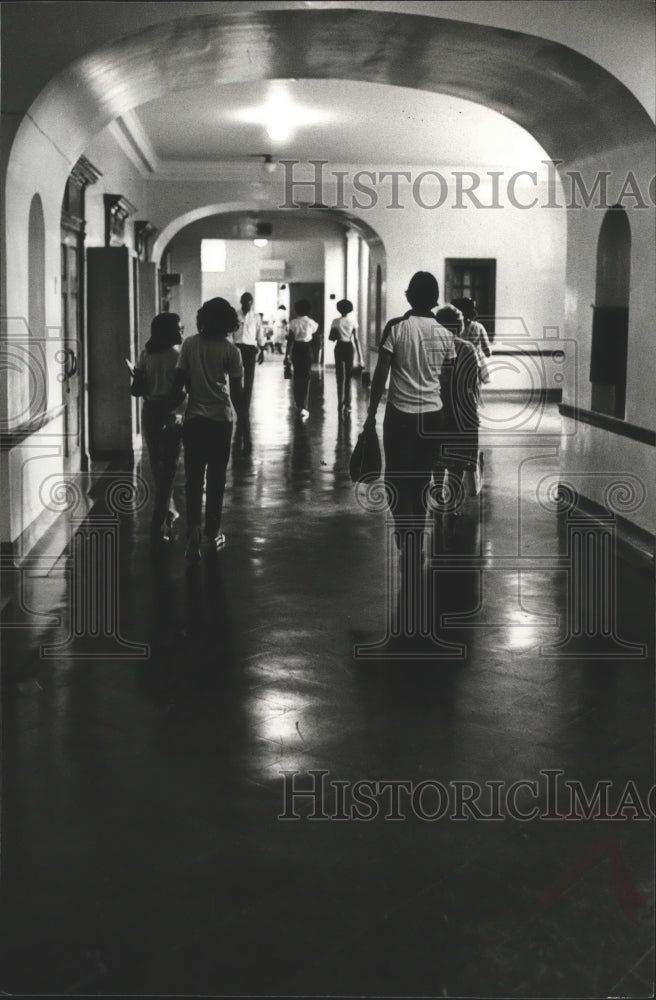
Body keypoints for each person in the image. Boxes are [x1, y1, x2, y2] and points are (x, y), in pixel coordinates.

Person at [364, 271, 456, 546]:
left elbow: (381, 374)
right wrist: (448, 419)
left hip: (400, 415)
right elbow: (448, 383)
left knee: (396, 477)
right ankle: (415, 530)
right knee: (422, 476)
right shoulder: (445, 334)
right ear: (435, 299)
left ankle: (405, 530)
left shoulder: (396, 327)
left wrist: (370, 414)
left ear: (408, 295)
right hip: (433, 416)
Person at [169, 297, 246, 562]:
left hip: (194, 421)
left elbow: (177, 384)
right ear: (229, 322)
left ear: (202, 319)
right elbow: (237, 394)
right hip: (221, 422)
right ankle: (212, 533)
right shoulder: (231, 351)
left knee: (193, 478)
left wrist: (169, 413)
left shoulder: (189, 344)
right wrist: (244, 426)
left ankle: (192, 533)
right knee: (216, 479)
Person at [137, 312, 185, 542]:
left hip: (150, 412)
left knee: (157, 463)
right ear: (168, 331)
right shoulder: (178, 357)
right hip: (172, 414)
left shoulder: (145, 354)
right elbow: (181, 391)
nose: (181, 331)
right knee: (170, 465)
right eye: (178, 327)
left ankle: (168, 510)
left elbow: (137, 388)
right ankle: (161, 518)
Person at [434, 305, 481, 511]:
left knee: (436, 456)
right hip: (463, 412)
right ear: (459, 325)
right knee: (458, 460)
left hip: (436, 409)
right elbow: (473, 383)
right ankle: (451, 503)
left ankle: (438, 493)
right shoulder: (467, 348)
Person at [233, 292, 265, 454]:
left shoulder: (256, 317)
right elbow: (231, 333)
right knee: (236, 379)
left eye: (249, 302)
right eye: (245, 302)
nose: (247, 305)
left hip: (251, 349)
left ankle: (244, 407)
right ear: (241, 302)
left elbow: (260, 334)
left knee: (249, 380)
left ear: (252, 303)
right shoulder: (235, 315)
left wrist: (262, 349)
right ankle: (240, 406)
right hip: (238, 348)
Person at [284, 299, 318, 420]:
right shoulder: (312, 323)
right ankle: (304, 406)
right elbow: (314, 341)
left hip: (296, 350)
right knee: (306, 378)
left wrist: (286, 356)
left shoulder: (293, 323)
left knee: (297, 377)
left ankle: (298, 404)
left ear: (297, 310)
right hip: (307, 350)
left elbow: (290, 341)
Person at [329, 298, 363, 417]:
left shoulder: (335, 321)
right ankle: (348, 405)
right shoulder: (353, 321)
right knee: (348, 377)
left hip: (339, 347)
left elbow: (331, 337)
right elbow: (356, 340)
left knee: (340, 377)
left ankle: (340, 403)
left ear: (339, 309)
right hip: (349, 347)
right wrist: (361, 358)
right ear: (350, 309)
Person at [450, 296, 492, 382]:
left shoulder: (452, 328)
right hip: (474, 369)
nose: (475, 312)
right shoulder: (479, 327)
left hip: (455, 370)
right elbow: (488, 352)